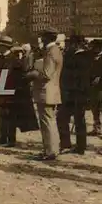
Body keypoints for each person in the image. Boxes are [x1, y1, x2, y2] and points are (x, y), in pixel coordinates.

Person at [26, 27, 63, 161]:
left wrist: (32, 74)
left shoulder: (50, 52)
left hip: (45, 91)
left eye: (42, 37)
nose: (41, 39)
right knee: (50, 122)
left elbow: (47, 74)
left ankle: (50, 151)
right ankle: (52, 149)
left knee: (47, 122)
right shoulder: (55, 50)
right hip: (51, 91)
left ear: (47, 38)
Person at [56, 34, 93, 155]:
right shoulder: (87, 57)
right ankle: (81, 146)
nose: (68, 46)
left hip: (72, 94)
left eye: (70, 43)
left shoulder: (75, 57)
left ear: (75, 44)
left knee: (62, 118)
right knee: (79, 120)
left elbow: (71, 77)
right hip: (80, 94)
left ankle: (66, 143)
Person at [0, 36, 19, 147]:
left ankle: (10, 139)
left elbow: (8, 76)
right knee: (2, 114)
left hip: (8, 91)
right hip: (1, 90)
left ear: (4, 47)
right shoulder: (1, 58)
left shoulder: (12, 59)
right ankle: (2, 137)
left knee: (9, 115)